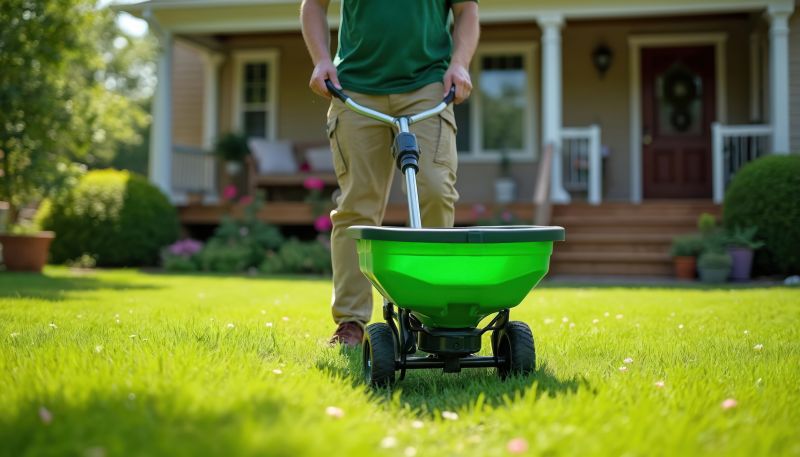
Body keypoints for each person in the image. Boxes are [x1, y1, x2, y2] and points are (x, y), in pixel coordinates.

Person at [300, 0, 480, 347]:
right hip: (354, 87)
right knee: (357, 205)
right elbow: (314, 5)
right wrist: (321, 59)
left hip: (428, 86)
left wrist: (460, 64)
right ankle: (351, 323)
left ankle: (432, 313)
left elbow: (467, 9)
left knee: (435, 189)